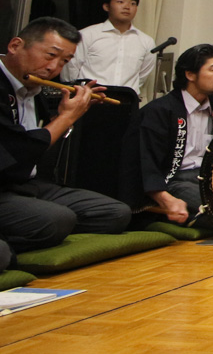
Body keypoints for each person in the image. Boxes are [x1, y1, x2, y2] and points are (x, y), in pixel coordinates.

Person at [0, 18, 131, 252]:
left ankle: (32, 225)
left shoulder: (32, 89)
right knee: (58, 219)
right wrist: (67, 118)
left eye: (64, 61)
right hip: (4, 185)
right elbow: (18, 152)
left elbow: (42, 151)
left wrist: (62, 117)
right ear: (15, 46)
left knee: (115, 213)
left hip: (29, 185)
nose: (54, 68)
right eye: (50, 55)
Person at [130, 44, 213, 227]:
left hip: (209, 177)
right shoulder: (159, 111)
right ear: (190, 74)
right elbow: (145, 162)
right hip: (175, 179)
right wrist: (165, 198)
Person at [62, 0, 156, 94]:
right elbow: (70, 70)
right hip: (89, 98)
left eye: (133, 3)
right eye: (120, 2)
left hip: (126, 101)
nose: (127, 7)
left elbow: (142, 76)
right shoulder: (87, 35)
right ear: (106, 6)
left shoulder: (146, 41)